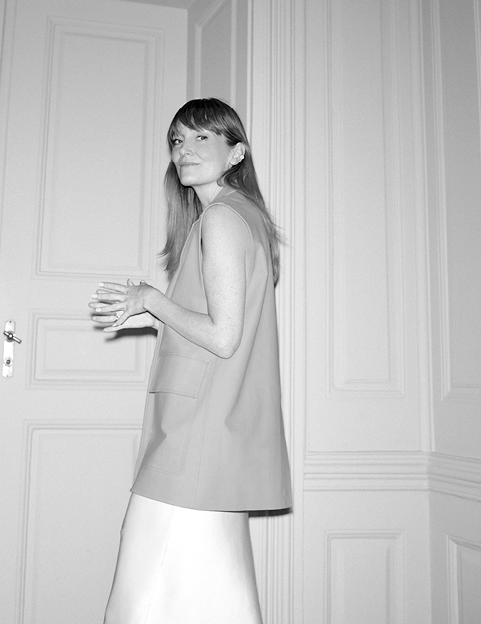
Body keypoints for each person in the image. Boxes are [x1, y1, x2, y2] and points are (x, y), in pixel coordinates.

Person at [90, 98, 291, 624]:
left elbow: (223, 338)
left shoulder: (221, 219)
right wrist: (156, 315)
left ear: (236, 152)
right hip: (216, 439)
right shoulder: (244, 217)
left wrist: (152, 299)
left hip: (193, 440)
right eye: (178, 140)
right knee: (213, 597)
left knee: (142, 599)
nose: (184, 149)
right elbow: (224, 334)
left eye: (203, 137)